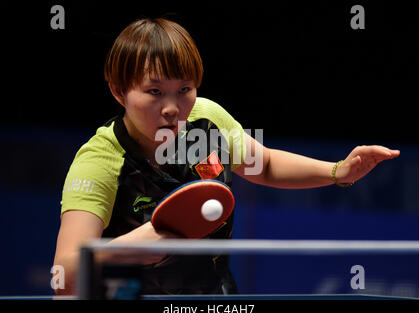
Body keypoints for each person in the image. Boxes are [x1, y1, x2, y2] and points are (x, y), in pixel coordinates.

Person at [53, 17, 400, 296]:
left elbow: (264, 165)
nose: (173, 108)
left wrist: (340, 171)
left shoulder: (205, 122)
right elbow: (63, 276)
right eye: (155, 92)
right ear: (119, 90)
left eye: (184, 90)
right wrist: (121, 249)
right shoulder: (101, 160)